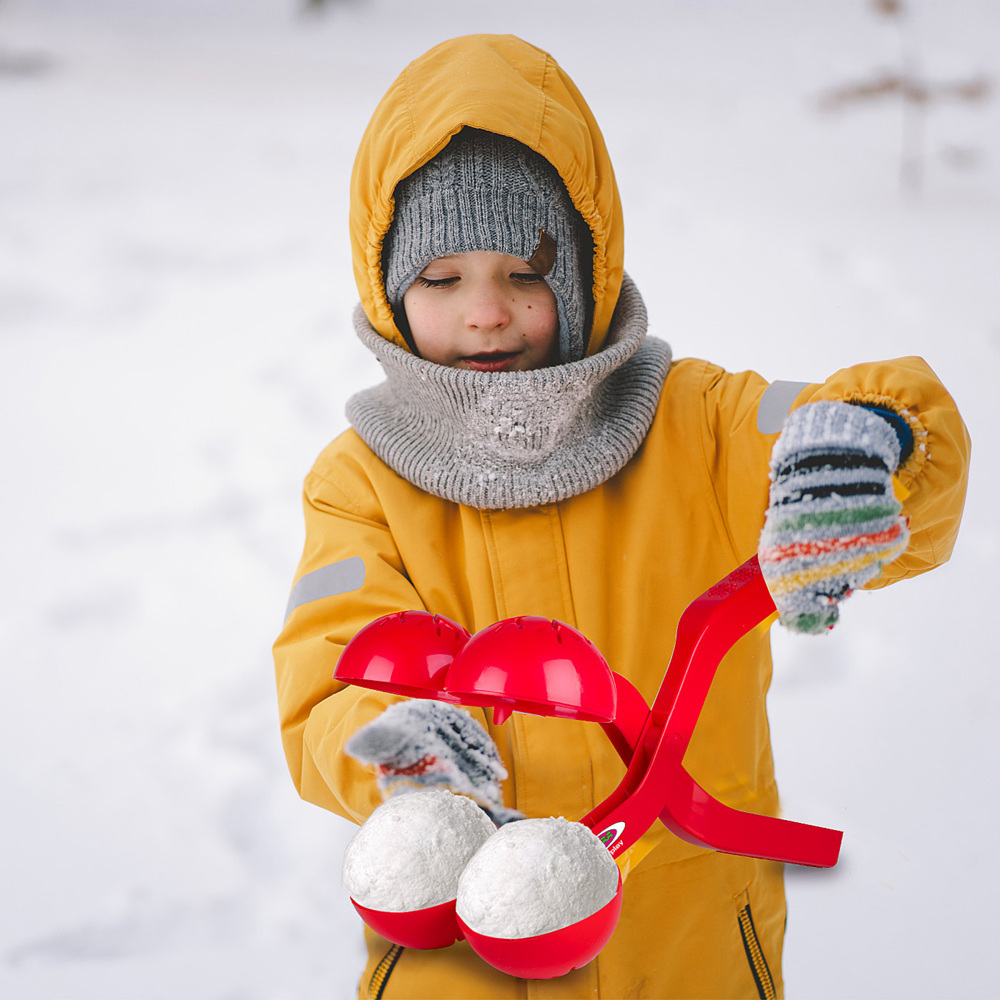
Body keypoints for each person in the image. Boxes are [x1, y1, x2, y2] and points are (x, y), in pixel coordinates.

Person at [273, 33, 970, 999]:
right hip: (460, 948)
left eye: (527, 272)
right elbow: (327, 672)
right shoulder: (360, 482)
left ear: (588, 268)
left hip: (687, 943)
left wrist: (866, 443)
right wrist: (403, 749)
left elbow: (855, 417)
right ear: (388, 289)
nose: (486, 313)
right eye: (441, 280)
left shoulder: (697, 424)